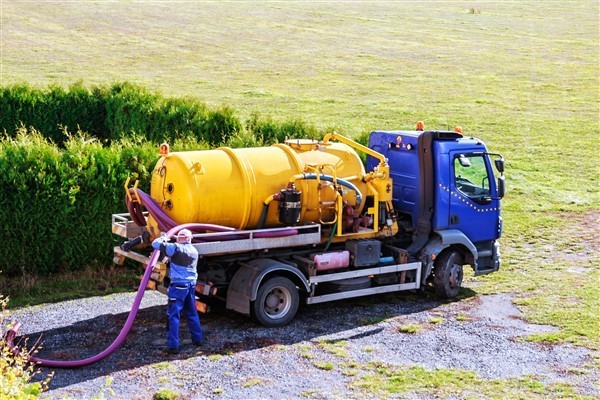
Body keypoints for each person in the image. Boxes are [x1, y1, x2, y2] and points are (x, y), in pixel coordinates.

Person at [152, 228, 203, 354]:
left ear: (180, 238)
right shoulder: (194, 251)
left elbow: (155, 244)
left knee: (173, 315)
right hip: (190, 285)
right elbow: (180, 261)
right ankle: (197, 340)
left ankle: (173, 346)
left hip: (178, 287)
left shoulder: (175, 247)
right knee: (192, 312)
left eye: (178, 237)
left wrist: (163, 238)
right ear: (190, 239)